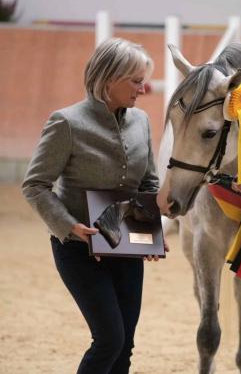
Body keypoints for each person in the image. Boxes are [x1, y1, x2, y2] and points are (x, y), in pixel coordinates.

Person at [22, 37, 164, 374]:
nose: (142, 89)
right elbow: (35, 185)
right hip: (77, 248)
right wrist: (69, 226)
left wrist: (150, 232)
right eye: (135, 80)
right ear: (108, 77)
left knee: (125, 344)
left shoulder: (141, 121)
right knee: (109, 340)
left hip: (125, 247)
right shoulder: (66, 123)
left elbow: (149, 184)